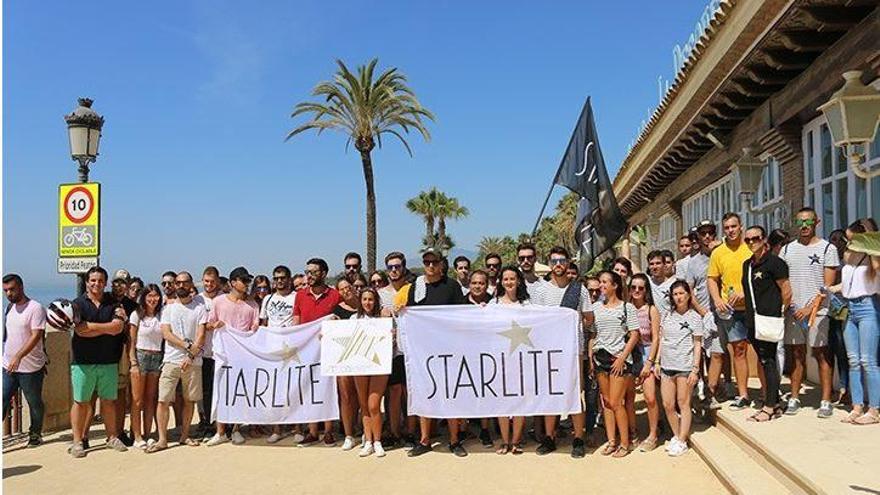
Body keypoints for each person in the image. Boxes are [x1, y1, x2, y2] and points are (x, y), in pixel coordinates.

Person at [531, 246, 594, 458]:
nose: (558, 264)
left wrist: (573, 328)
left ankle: (578, 438)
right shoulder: (540, 291)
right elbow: (536, 321)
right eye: (554, 261)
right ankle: (549, 437)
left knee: (576, 392)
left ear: (568, 263)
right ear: (549, 264)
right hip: (548, 349)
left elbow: (589, 317)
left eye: (562, 260)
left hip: (574, 349)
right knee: (551, 392)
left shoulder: (580, 290)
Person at [405, 248, 468, 458]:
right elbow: (412, 314)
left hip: (449, 349)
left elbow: (461, 315)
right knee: (425, 393)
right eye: (426, 262)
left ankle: (454, 440)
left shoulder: (452, 286)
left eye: (434, 262)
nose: (430, 266)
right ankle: (424, 439)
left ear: (441, 264)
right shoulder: (417, 286)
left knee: (450, 394)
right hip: (423, 350)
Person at [780, 208, 840, 418]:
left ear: (817, 222)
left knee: (821, 355)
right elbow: (783, 281)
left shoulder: (827, 249)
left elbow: (828, 285)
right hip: (794, 312)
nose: (804, 226)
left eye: (808, 222)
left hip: (818, 312)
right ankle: (794, 397)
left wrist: (809, 308)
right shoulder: (787, 249)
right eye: (800, 222)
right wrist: (791, 305)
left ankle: (825, 399)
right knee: (796, 355)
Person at [68, 266, 129, 458]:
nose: (97, 284)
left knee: (109, 402)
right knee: (81, 402)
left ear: (105, 283)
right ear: (87, 282)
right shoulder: (77, 304)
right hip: (82, 362)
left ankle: (111, 437)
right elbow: (78, 330)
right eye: (93, 280)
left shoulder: (114, 303)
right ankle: (77, 442)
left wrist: (91, 327)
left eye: (100, 280)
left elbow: (118, 327)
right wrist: (106, 328)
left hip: (108, 361)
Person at [147, 272, 206, 453]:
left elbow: (201, 334)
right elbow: (166, 333)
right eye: (177, 283)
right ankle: (162, 439)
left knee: (190, 401)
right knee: (163, 400)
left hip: (193, 362)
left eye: (184, 282)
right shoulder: (168, 308)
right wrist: (186, 345)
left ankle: (185, 435)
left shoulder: (200, 307)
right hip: (171, 360)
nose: (180, 285)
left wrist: (190, 356)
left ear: (190, 285)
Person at [205, 267, 260, 446]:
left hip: (244, 356)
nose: (246, 284)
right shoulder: (219, 301)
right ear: (233, 282)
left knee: (240, 392)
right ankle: (220, 431)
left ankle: (236, 429)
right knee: (221, 392)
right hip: (223, 355)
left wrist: (255, 329)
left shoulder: (253, 305)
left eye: (247, 281)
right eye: (243, 281)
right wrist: (216, 325)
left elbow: (255, 327)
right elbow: (208, 324)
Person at [833, 219, 880, 425]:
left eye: (852, 238)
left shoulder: (874, 256)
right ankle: (857, 406)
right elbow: (846, 284)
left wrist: (871, 245)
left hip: (868, 306)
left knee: (868, 361)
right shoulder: (848, 255)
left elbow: (876, 273)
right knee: (853, 360)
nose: (848, 242)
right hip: (849, 308)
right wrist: (828, 290)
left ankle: (874, 410)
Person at [742, 226, 790, 422]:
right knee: (763, 361)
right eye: (748, 240)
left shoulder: (776, 263)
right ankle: (775, 402)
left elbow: (786, 291)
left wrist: (780, 314)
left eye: (755, 238)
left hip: (769, 319)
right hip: (753, 320)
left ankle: (769, 406)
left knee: (769, 361)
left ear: (764, 240)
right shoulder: (748, 265)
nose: (752, 242)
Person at [589, 270, 639, 458]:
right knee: (607, 402)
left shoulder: (627, 307)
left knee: (618, 402)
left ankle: (625, 444)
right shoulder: (595, 308)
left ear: (615, 285)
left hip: (619, 359)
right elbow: (593, 335)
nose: (601, 286)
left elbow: (634, 334)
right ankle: (611, 441)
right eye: (600, 282)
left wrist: (622, 358)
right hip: (600, 357)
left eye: (604, 282)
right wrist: (591, 357)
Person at [707, 212, 754, 410]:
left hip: (752, 307)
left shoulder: (750, 247)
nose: (730, 231)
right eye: (726, 228)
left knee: (761, 351)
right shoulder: (718, 252)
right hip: (730, 311)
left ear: (741, 226)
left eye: (733, 226)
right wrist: (717, 299)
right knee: (738, 350)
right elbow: (712, 278)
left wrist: (745, 292)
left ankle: (770, 392)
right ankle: (743, 394)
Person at [293, 258, 341, 445]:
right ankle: (312, 431)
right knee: (309, 387)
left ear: (324, 273)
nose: (309, 276)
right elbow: (296, 320)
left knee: (328, 388)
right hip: (307, 349)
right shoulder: (300, 295)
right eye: (307, 272)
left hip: (329, 350)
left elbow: (343, 315)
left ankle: (328, 430)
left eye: (313, 272)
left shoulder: (335, 295)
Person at [2, 274, 47, 447]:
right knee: (3, 400)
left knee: (34, 402)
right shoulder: (9, 308)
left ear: (21, 287)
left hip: (31, 368)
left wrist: (18, 356)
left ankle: (35, 434)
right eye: (5, 290)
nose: (9, 293)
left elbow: (36, 336)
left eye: (12, 289)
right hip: (8, 366)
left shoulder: (35, 308)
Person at [659, 280, 703, 456]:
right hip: (666, 366)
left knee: (683, 403)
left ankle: (683, 439)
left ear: (688, 295)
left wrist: (695, 369)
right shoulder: (666, 315)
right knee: (668, 404)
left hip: (685, 366)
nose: (678, 297)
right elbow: (661, 339)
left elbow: (698, 344)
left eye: (681, 293)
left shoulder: (694, 317)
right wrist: (656, 362)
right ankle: (676, 436)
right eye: (675, 294)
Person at [687, 220, 726, 409]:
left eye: (710, 232)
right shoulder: (693, 262)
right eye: (703, 233)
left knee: (718, 353)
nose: (707, 236)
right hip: (701, 314)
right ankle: (703, 390)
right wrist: (703, 312)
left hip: (723, 312)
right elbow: (690, 291)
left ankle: (715, 388)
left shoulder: (723, 253)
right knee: (702, 354)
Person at [492, 266, 530, 455]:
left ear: (519, 281)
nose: (509, 282)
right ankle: (504, 440)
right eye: (505, 279)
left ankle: (516, 441)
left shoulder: (527, 305)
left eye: (512, 279)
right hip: (499, 359)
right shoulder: (493, 305)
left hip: (521, 359)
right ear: (500, 281)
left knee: (520, 400)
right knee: (502, 401)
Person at [379, 251, 415, 448]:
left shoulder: (414, 290)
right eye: (390, 267)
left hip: (411, 349)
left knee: (410, 391)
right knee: (393, 392)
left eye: (397, 266)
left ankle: (410, 431)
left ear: (403, 267)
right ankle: (394, 432)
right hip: (390, 351)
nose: (394, 270)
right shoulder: (381, 294)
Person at [260, 265, 299, 444]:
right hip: (272, 351)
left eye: (283, 277)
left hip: (292, 350)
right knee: (275, 391)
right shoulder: (267, 299)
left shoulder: (297, 297)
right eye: (276, 278)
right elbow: (263, 324)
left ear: (289, 279)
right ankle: (277, 428)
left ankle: (298, 427)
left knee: (294, 389)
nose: (280, 281)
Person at [352, 288, 389, 458]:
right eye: (365, 299)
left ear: (376, 301)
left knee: (374, 404)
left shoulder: (383, 318)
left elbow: (392, 339)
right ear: (360, 301)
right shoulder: (354, 319)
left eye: (371, 299)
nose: (368, 302)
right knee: (364, 405)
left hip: (379, 366)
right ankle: (368, 441)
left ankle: (378, 441)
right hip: (359, 366)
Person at [128, 284, 164, 449]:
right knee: (137, 400)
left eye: (155, 296)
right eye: (149, 296)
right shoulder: (136, 315)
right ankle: (137, 435)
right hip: (141, 356)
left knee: (151, 399)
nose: (152, 299)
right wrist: (133, 362)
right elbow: (132, 340)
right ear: (144, 297)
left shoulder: (161, 315)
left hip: (156, 356)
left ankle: (148, 434)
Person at [629, 273, 661, 452]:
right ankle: (632, 433)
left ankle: (653, 434)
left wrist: (650, 361)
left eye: (640, 288)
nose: (636, 291)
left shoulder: (651, 310)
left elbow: (656, 338)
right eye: (633, 287)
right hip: (631, 354)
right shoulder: (626, 308)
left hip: (647, 352)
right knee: (629, 398)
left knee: (649, 398)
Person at [332, 277, 361, 450]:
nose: (346, 291)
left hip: (364, 359)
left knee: (361, 397)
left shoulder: (366, 305)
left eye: (348, 287)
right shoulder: (336, 310)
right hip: (343, 359)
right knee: (346, 397)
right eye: (341, 289)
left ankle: (364, 431)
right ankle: (348, 434)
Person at [194, 266, 222, 440]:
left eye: (212, 282)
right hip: (201, 353)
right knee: (202, 392)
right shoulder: (197, 299)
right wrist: (208, 326)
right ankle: (205, 424)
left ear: (217, 282)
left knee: (216, 390)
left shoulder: (224, 298)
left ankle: (217, 424)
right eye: (206, 281)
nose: (209, 284)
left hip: (219, 353)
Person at [110, 269, 137, 446]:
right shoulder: (103, 300)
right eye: (116, 282)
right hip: (101, 352)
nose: (119, 286)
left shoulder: (132, 306)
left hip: (121, 353)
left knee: (120, 395)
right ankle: (84, 436)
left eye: (123, 283)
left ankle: (119, 432)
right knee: (94, 395)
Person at [826, 229, 850, 404]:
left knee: (844, 351)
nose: (834, 243)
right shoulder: (829, 262)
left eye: (837, 239)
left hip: (847, 310)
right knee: (833, 349)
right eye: (831, 239)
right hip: (831, 311)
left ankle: (845, 389)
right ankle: (838, 388)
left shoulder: (848, 263)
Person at [647, 250, 674, 315]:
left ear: (664, 265)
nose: (654, 267)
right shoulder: (647, 281)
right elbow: (627, 259)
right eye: (651, 264)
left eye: (658, 263)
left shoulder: (674, 284)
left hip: (669, 323)